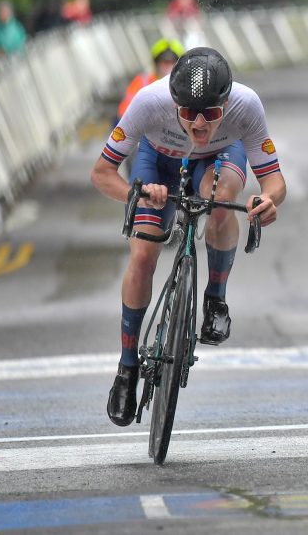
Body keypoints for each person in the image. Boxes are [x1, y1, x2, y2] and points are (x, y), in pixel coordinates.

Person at [91, 47, 286, 427]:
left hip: (216, 160)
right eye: (188, 114)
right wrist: (139, 192)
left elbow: (274, 182)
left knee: (220, 198)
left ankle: (215, 298)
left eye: (212, 115)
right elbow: (102, 173)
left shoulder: (246, 105)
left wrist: (268, 200)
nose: (199, 124)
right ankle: (127, 368)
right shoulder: (148, 102)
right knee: (145, 254)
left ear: (226, 105)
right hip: (158, 159)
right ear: (173, 103)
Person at [117, 38, 184, 120]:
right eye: (164, 62)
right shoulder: (142, 81)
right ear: (156, 63)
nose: (167, 66)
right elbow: (124, 112)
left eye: (172, 62)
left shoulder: (184, 85)